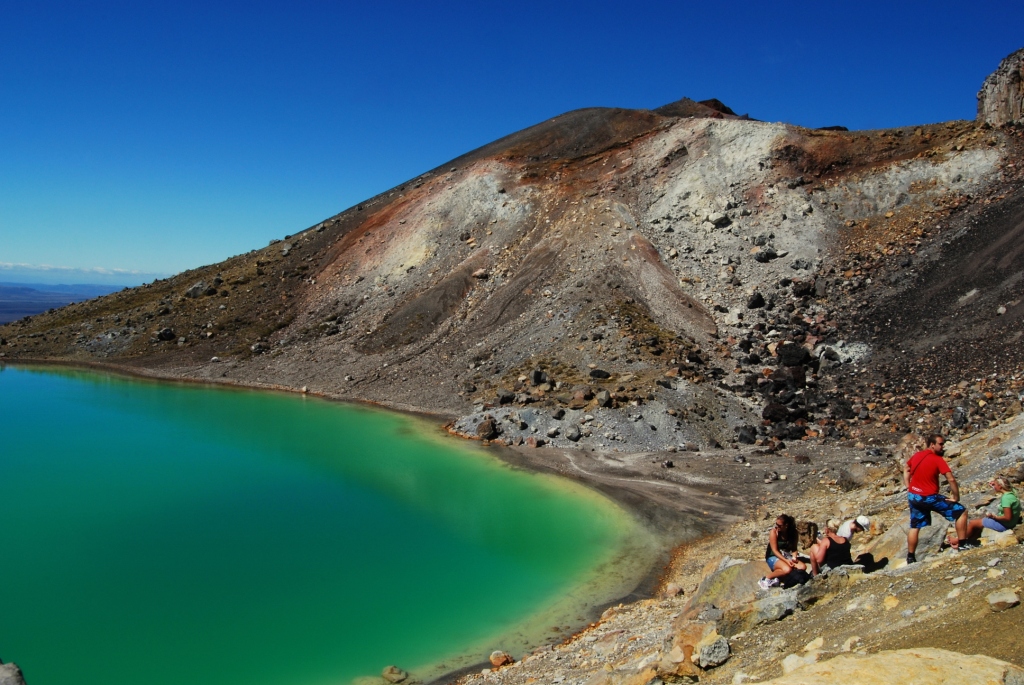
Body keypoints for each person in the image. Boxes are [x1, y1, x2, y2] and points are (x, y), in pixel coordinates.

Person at [903, 434, 968, 563]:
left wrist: (908, 486)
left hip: (914, 495)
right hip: (929, 497)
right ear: (932, 444)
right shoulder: (937, 459)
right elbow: (951, 479)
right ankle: (963, 544)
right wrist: (956, 496)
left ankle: (910, 557)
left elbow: (906, 468)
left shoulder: (917, 455)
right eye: (941, 444)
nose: (943, 446)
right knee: (961, 512)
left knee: (915, 526)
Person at [960, 477, 1021, 544]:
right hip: (1010, 523)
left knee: (972, 523)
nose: (993, 487)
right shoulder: (1012, 494)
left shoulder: (1006, 498)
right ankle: (971, 541)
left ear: (1000, 486)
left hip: (1004, 525)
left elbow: (1007, 517)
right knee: (980, 523)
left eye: (994, 485)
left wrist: (994, 517)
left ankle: (960, 541)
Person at [759, 514, 808, 589]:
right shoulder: (774, 532)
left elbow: (794, 549)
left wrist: (794, 557)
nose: (777, 527)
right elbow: (774, 550)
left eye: (779, 525)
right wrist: (786, 561)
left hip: (786, 555)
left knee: (802, 567)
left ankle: (779, 578)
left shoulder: (793, 533)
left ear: (786, 525)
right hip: (773, 556)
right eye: (776, 524)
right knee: (787, 569)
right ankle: (766, 578)